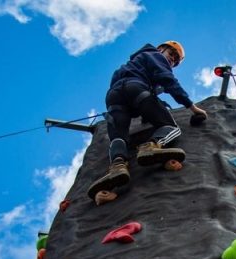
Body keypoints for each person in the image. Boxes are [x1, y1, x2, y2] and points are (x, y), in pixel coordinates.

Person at [88, 40, 207, 199]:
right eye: (171, 54)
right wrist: (192, 107)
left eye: (175, 61)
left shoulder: (131, 64)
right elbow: (168, 80)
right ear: (160, 49)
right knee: (171, 127)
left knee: (118, 136)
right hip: (136, 88)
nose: (172, 60)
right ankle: (150, 146)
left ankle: (117, 165)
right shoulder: (156, 56)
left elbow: (123, 90)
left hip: (113, 97)